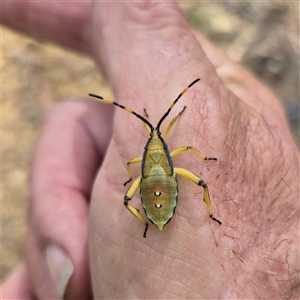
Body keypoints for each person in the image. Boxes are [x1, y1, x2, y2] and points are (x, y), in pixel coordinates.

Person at [1, 2, 299, 299]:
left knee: (129, 200)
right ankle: (206, 214)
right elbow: (186, 149)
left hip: (149, 183)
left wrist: (136, 182)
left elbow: (135, 164)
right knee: (201, 182)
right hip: (166, 180)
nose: (156, 137)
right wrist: (201, 156)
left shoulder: (141, 157)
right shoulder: (171, 147)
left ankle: (148, 222)